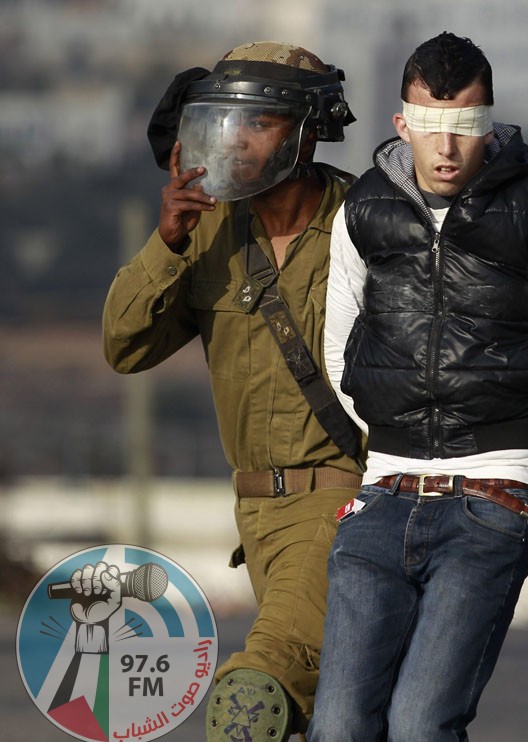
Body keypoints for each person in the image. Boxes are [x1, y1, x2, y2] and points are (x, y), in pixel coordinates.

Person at [308, 31, 528, 742]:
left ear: (492, 125)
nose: (447, 148)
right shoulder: (361, 214)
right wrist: (396, 440)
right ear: (403, 124)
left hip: (491, 505)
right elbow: (340, 349)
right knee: (337, 726)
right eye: (432, 126)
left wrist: (515, 456)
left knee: (420, 725)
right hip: (382, 495)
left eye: (467, 128)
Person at [102, 42, 362, 741]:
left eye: (261, 123)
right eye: (229, 122)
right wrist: (168, 243)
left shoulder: (367, 223)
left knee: (252, 698)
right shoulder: (209, 229)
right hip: (256, 517)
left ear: (309, 133)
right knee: (340, 717)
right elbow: (124, 346)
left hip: (348, 503)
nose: (237, 141)